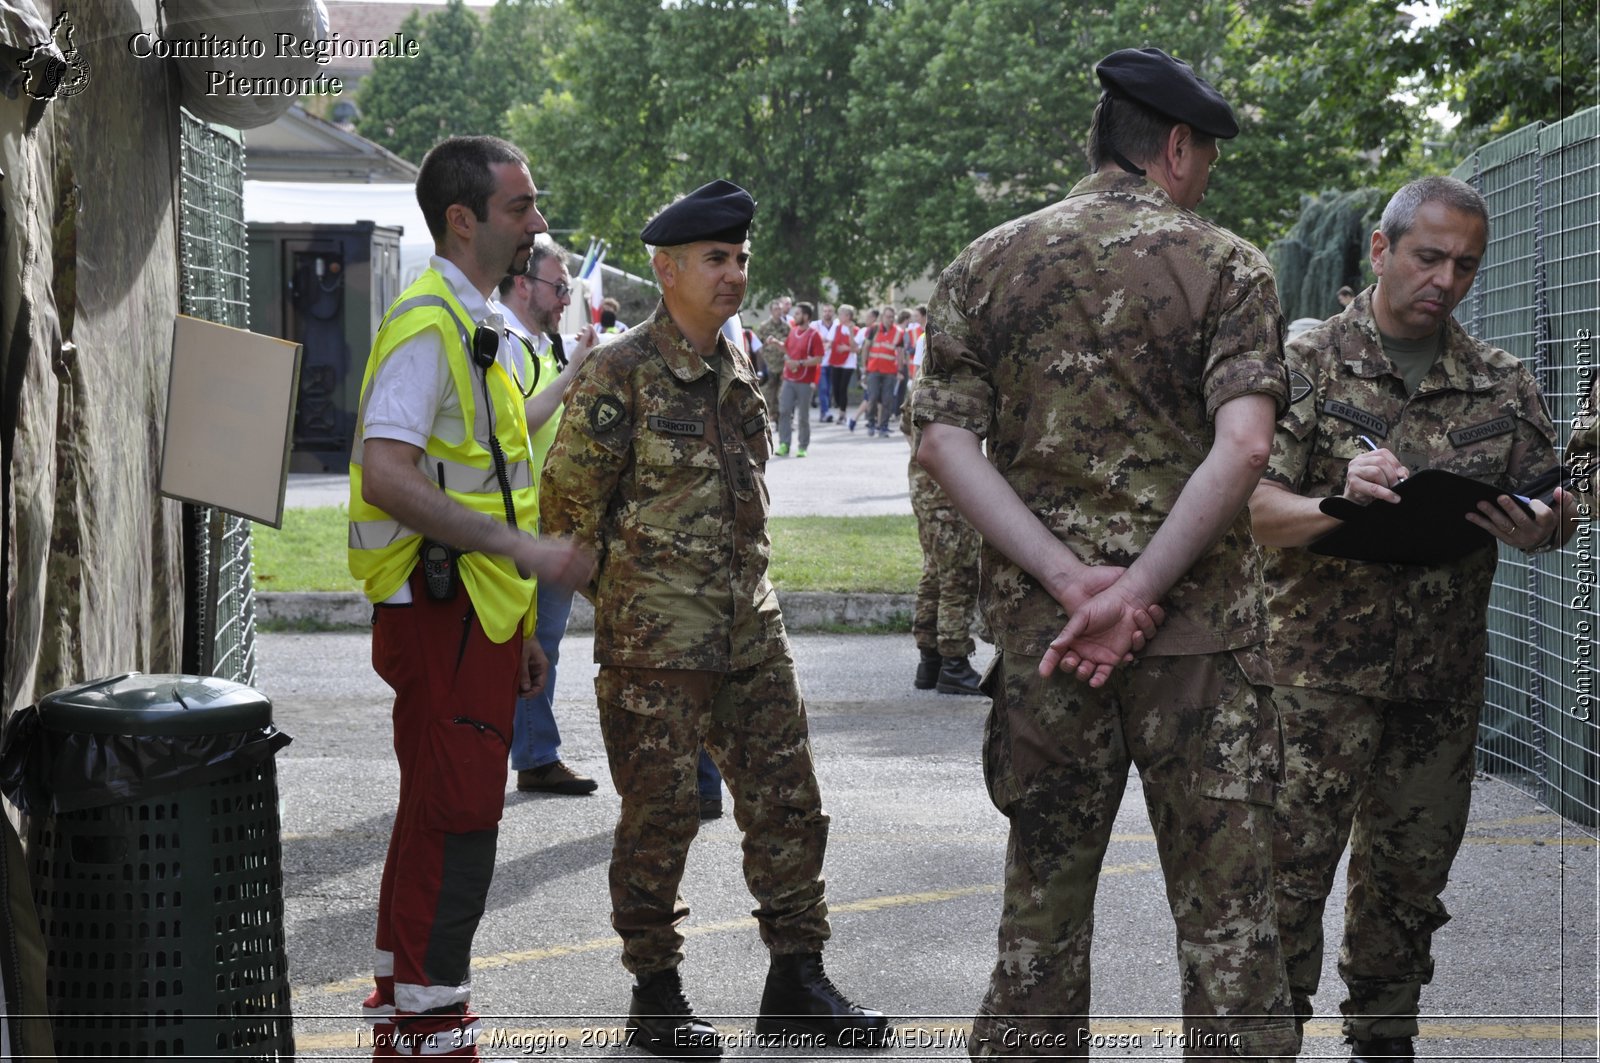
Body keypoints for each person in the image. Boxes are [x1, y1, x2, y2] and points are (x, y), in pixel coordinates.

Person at [914, 47, 1300, 1059]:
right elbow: (1247, 445)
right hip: (1202, 650)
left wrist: (1069, 578)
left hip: (1053, 646)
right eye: (1204, 154)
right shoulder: (1229, 267)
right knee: (1228, 931)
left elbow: (943, 442)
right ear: (1174, 147)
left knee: (1039, 922)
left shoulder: (986, 263)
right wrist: (1139, 589)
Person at [540, 179, 887, 1060]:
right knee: (659, 820)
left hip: (750, 634)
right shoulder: (620, 373)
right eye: (714, 259)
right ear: (664, 268)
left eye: (739, 259)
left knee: (789, 804)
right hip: (657, 648)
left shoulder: (739, 370)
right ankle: (655, 994)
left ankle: (796, 981)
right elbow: (565, 516)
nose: (733, 274)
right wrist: (636, 607)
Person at [1247, 176, 1580, 1063]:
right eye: (1429, 256)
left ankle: (1383, 1039)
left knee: (1408, 881)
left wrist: (1545, 524)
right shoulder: (1303, 364)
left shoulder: (1500, 384)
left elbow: (1556, 499)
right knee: (1284, 879)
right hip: (1308, 681)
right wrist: (1335, 501)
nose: (1446, 279)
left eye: (1466, 265)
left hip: (1437, 682)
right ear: (1382, 251)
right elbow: (1246, 505)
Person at [346, 134, 592, 1059]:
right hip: (439, 609)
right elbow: (385, 473)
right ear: (463, 218)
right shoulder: (430, 323)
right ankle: (433, 1025)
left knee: (435, 811)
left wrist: (521, 618)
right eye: (520, 207)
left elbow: (490, 470)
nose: (536, 222)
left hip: (474, 615)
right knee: (459, 818)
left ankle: (404, 1008)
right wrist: (516, 549)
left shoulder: (474, 320)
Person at [492, 236, 601, 797]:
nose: (565, 298)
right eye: (559, 287)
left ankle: (534, 754)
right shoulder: (505, 342)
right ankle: (534, 757)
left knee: (543, 644)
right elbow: (522, 424)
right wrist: (574, 368)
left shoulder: (538, 342)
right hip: (525, 526)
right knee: (533, 646)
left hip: (551, 519)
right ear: (523, 283)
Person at [900, 381, 982, 695]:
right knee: (957, 577)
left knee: (934, 572)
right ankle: (954, 663)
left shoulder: (919, 382)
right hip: (949, 493)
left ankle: (930, 661)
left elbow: (905, 425)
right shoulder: (951, 387)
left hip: (924, 490)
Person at [777, 301, 825, 457]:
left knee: (803, 416)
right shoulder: (793, 331)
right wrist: (775, 343)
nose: (794, 316)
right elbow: (787, 349)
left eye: (797, 313)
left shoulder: (814, 335)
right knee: (784, 411)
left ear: (806, 316)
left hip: (804, 381)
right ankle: (784, 444)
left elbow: (819, 359)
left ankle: (802, 446)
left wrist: (799, 363)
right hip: (789, 379)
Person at [855, 305, 901, 436]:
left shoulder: (898, 332)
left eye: (892, 317)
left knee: (887, 399)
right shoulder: (873, 329)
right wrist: (864, 366)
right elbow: (866, 348)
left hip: (890, 371)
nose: (890, 319)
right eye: (888, 316)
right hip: (873, 369)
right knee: (873, 397)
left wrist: (900, 370)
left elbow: (900, 352)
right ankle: (871, 422)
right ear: (882, 317)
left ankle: (883, 426)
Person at [755, 298, 790, 414]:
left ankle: (782, 417)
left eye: (780, 309)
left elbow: (791, 346)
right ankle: (770, 416)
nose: (778, 311)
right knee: (769, 393)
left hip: (782, 364)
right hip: (768, 365)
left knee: (782, 393)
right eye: (776, 309)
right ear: (771, 311)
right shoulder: (764, 327)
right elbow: (757, 346)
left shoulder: (787, 327)